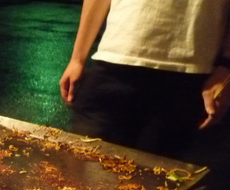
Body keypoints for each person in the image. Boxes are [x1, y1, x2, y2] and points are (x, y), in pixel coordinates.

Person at [59, 0, 230, 158]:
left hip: (188, 78)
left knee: (159, 176)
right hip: (113, 63)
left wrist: (226, 68)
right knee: (82, 168)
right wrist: (77, 58)